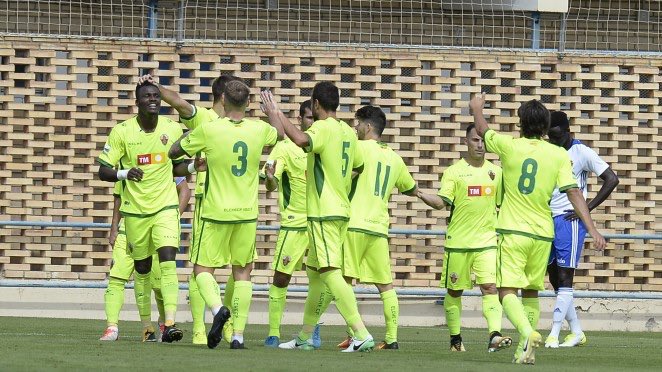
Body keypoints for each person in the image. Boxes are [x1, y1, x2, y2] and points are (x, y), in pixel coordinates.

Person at [469, 93, 606, 364]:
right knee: (531, 291)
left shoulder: (509, 146)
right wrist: (592, 229)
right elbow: (574, 193)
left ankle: (527, 331)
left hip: (513, 231)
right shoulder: (557, 155)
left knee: (506, 290)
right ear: (545, 128)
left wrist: (477, 108)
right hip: (543, 233)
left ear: (520, 124)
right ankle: (524, 351)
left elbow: (483, 130)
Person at [168, 81, 284, 349]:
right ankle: (239, 336)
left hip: (215, 212)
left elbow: (173, 152)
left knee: (201, 270)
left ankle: (218, 308)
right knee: (243, 273)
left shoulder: (209, 129)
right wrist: (272, 111)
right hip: (245, 214)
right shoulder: (258, 129)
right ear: (247, 103)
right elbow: (279, 134)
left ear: (223, 99)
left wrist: (190, 145)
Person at [261, 81, 374, 352]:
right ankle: (305, 336)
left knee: (330, 272)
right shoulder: (347, 131)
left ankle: (361, 333)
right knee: (315, 275)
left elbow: (301, 140)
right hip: (340, 210)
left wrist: (277, 115)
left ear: (316, 104)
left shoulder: (321, 128)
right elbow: (358, 165)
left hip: (324, 212)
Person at [138, 73, 241, 345]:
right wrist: (154, 87)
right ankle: (215, 330)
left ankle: (213, 328)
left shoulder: (236, 122)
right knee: (230, 269)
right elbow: (179, 104)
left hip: (222, 204)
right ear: (224, 96)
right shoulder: (209, 118)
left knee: (212, 268)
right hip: (226, 202)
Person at [97, 80, 191, 343]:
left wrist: (194, 167)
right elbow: (103, 170)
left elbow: (179, 169)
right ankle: (144, 326)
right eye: (147, 96)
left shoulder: (172, 129)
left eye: (156, 96)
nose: (153, 99)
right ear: (137, 102)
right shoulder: (122, 132)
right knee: (141, 271)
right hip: (135, 215)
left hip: (165, 210)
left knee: (169, 264)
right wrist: (125, 173)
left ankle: (169, 323)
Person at [418, 124, 512, 353]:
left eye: (482, 141)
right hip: (458, 243)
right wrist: (418, 193)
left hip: (487, 242)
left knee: (490, 288)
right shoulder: (454, 172)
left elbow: (502, 204)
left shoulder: (496, 173)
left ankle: (494, 335)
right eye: (474, 140)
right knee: (454, 292)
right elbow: (442, 203)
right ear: (466, 142)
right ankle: (455, 340)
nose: (480, 145)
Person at [340, 105, 418, 350]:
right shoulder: (394, 157)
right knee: (385, 285)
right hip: (379, 228)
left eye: (358, 124)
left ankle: (356, 335)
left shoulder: (357, 148)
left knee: (343, 282)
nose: (355, 128)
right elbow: (410, 188)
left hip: (353, 224)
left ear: (368, 126)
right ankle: (392, 338)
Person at [544, 111, 619, 348]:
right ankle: (576, 332)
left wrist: (586, 208)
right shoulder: (548, 151)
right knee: (554, 277)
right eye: (549, 136)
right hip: (546, 219)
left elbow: (611, 179)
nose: (553, 140)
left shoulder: (581, 151)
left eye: (556, 136)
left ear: (568, 132)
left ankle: (554, 334)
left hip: (570, 221)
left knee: (566, 276)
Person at [261, 100, 322, 348]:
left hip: (321, 224)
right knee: (281, 278)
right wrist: (269, 179)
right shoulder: (285, 148)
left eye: (316, 118)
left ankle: (312, 332)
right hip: (294, 225)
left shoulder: (325, 146)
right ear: (300, 119)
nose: (313, 122)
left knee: (321, 280)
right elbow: (272, 182)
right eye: (309, 118)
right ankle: (274, 332)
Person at [99, 177, 190, 342]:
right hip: (128, 229)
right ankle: (114, 327)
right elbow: (119, 195)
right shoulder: (127, 160)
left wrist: (171, 218)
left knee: (158, 284)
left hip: (156, 229)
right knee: (116, 280)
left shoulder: (163, 157)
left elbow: (184, 188)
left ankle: (164, 325)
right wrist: (114, 226)